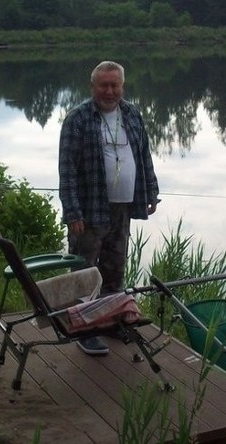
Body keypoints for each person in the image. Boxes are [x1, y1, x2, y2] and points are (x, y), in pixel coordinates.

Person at [59, 60, 160, 356]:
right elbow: (67, 170)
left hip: (123, 208)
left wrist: (151, 189)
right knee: (84, 272)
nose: (109, 90)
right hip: (89, 211)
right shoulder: (77, 119)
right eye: (103, 85)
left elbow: (143, 155)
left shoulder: (132, 113)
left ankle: (111, 320)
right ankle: (84, 329)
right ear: (93, 86)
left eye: (115, 85)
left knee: (114, 271)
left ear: (122, 86)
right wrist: (72, 211)